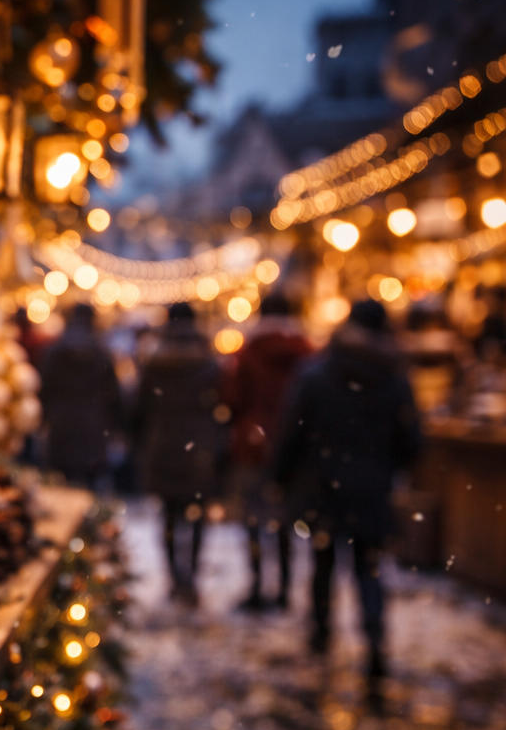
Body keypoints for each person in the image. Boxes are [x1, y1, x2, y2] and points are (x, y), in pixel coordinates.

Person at [272, 299, 421, 699]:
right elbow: (412, 440)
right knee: (368, 568)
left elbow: (292, 431)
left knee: (323, 562)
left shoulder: (317, 373)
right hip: (372, 489)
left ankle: (321, 636)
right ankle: (374, 641)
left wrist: (282, 476)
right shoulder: (394, 376)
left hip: (322, 486)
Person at [221, 293, 313, 609]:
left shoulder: (249, 353)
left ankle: (259, 584)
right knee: (285, 520)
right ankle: (285, 588)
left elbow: (233, 399)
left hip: (254, 446)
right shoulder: (307, 354)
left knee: (254, 519)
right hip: (294, 448)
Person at [135, 302, 226, 605]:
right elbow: (223, 407)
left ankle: (176, 577)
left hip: (163, 444)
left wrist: (143, 441)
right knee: (197, 514)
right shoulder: (210, 363)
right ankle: (191, 578)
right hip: (200, 447)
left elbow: (138, 408)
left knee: (169, 515)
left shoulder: (154, 362)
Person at [39, 303, 122, 490]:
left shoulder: (54, 351)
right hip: (93, 425)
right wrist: (115, 426)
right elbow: (113, 394)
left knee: (62, 485)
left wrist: (45, 418)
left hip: (61, 423)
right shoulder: (101, 352)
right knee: (89, 485)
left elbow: (44, 388)